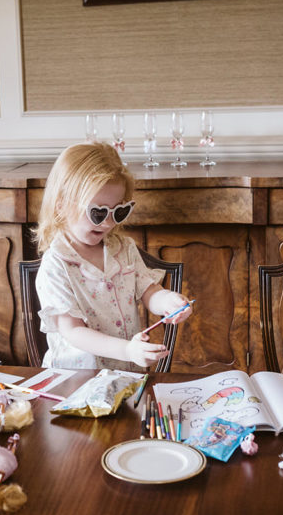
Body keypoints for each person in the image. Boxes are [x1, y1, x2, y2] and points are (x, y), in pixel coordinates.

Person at [33, 143, 192, 370]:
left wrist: (169, 302)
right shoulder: (56, 265)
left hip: (125, 372)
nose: (108, 222)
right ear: (61, 206)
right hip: (77, 380)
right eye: (97, 212)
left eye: (118, 211)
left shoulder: (124, 249)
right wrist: (127, 350)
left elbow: (148, 291)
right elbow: (72, 330)